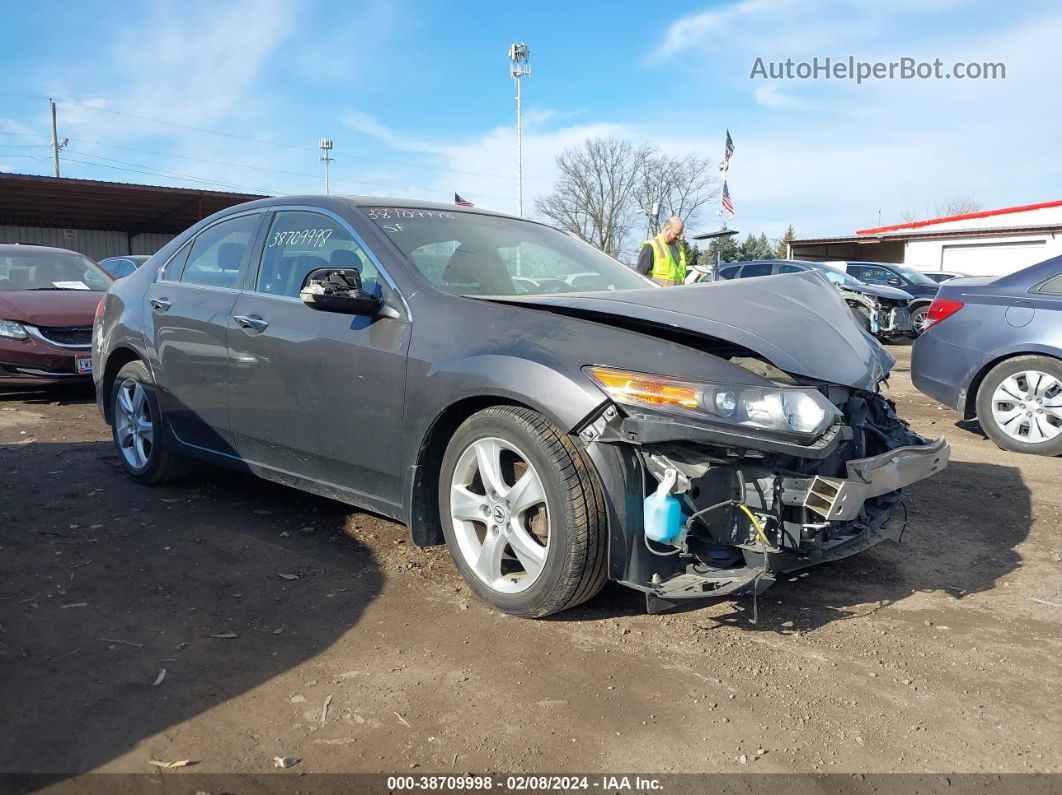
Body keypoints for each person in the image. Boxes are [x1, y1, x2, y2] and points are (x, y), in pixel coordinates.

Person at [636, 216, 687, 286]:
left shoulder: (679, 249)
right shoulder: (651, 247)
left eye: (680, 234)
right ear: (667, 229)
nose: (678, 237)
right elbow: (639, 277)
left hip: (677, 295)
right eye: (676, 234)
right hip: (656, 296)